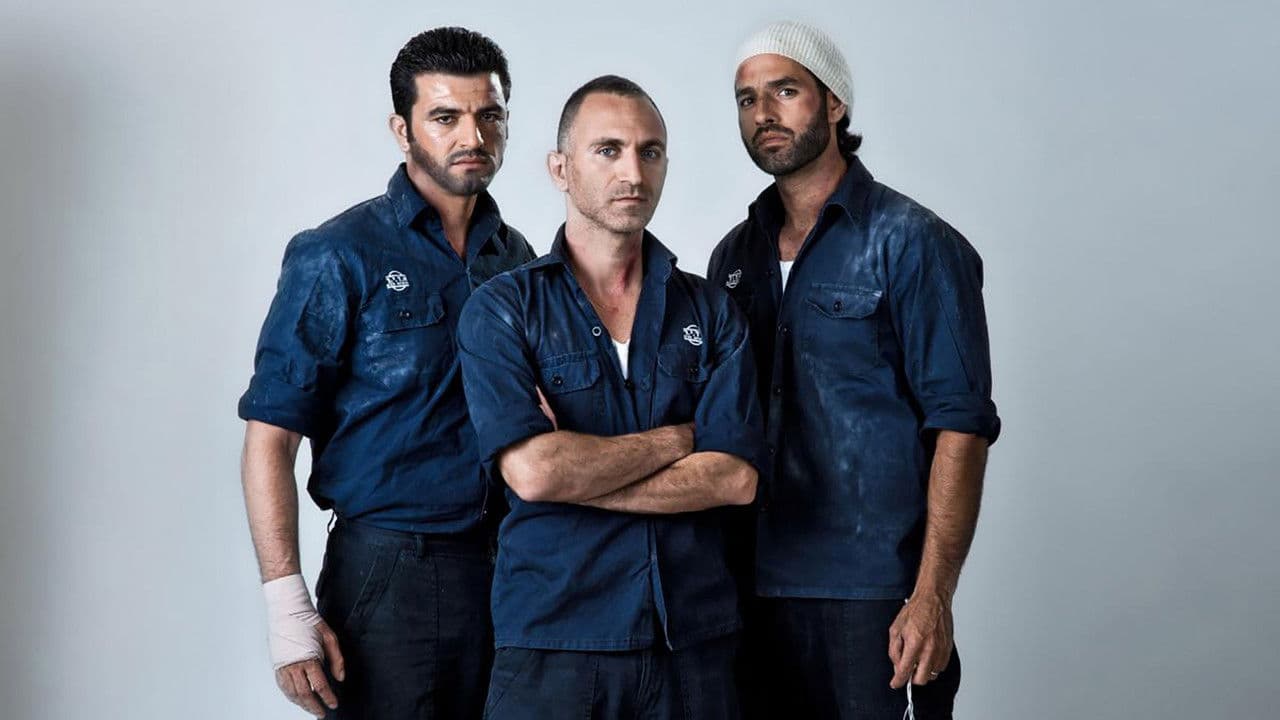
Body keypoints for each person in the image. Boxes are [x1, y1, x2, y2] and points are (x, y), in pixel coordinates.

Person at [236, 26, 534, 719]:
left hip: (510, 568)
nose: (473, 136)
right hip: (389, 573)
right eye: (445, 117)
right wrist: (285, 604)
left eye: (489, 115)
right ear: (403, 130)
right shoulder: (338, 253)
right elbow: (270, 439)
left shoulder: (516, 257)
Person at [709, 21, 1002, 719]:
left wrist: (932, 596)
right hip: (747, 591)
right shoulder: (733, 258)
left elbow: (961, 427)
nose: (764, 113)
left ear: (835, 103)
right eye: (747, 99)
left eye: (785, 91)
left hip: (872, 596)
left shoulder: (914, 242)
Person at [457, 75, 764, 720]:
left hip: (694, 645)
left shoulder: (711, 311)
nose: (633, 172)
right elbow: (534, 473)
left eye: (650, 152)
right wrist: (680, 439)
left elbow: (734, 479)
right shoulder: (504, 310)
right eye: (608, 150)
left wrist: (573, 476)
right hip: (554, 643)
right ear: (560, 169)